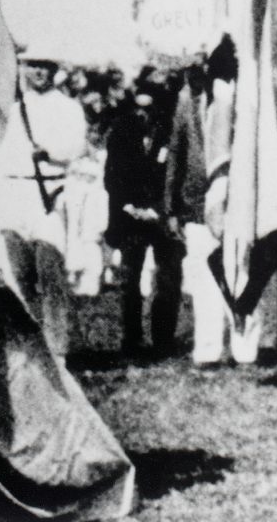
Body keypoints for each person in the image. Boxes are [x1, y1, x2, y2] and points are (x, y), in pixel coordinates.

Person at [0, 60, 88, 356]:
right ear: (24, 70)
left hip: (49, 194)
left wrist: (50, 153)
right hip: (13, 194)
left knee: (50, 270)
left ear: (55, 71)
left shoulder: (68, 107)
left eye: (46, 67)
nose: (40, 73)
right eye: (34, 66)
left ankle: (57, 349)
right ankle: (27, 349)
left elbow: (77, 147)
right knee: (18, 275)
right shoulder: (11, 110)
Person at [166, 47, 260, 367]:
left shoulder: (244, 104)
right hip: (195, 203)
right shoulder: (186, 104)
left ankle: (244, 346)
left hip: (238, 200)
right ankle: (207, 348)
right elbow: (176, 155)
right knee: (203, 275)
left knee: (242, 272)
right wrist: (171, 207)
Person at [105, 67, 182, 356]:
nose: (146, 106)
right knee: (130, 280)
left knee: (169, 278)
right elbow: (111, 175)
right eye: (143, 93)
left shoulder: (171, 127)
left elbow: (176, 172)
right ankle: (132, 339)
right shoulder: (122, 128)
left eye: (156, 94)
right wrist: (129, 206)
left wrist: (160, 210)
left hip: (162, 215)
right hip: (129, 216)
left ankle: (163, 339)